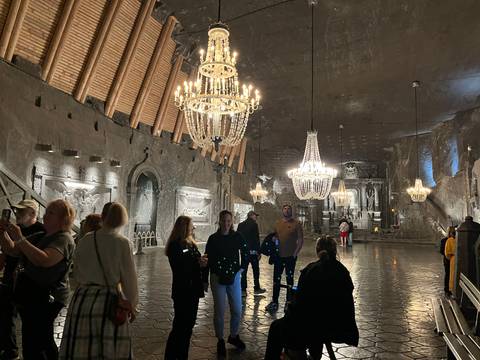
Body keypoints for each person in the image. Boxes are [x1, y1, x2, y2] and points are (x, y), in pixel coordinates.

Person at [59, 202, 137, 359]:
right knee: (106, 347)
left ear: (103, 216)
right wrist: (132, 305)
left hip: (82, 299)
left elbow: (77, 270)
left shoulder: (87, 239)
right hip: (108, 301)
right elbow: (129, 279)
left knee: (81, 347)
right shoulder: (123, 243)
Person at [0, 199, 75, 360]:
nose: (46, 215)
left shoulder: (63, 238)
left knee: (41, 339)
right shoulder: (41, 235)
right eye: (47, 212)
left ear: (63, 219)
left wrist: (20, 238)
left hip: (49, 297)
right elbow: (12, 250)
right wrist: (3, 233)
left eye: (51, 213)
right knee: (32, 339)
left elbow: (44, 260)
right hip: (33, 295)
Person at [264, 236, 359, 360]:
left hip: (315, 326)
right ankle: (314, 355)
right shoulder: (343, 271)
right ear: (335, 251)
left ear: (317, 251)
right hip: (340, 327)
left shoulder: (311, 270)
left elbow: (300, 305)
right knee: (317, 320)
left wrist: (290, 309)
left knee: (277, 327)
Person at [0, 200, 45, 360]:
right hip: (10, 276)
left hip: (27, 280)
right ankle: (10, 349)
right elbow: (8, 251)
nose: (17, 214)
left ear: (33, 213)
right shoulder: (16, 229)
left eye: (21, 211)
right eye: (16, 211)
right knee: (5, 315)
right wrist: (3, 233)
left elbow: (17, 251)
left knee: (28, 322)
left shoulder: (41, 230)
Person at [203, 210, 248, 356]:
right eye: (224, 220)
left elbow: (245, 251)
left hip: (234, 277)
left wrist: (242, 268)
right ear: (219, 221)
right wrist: (204, 280)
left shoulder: (237, 237)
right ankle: (220, 340)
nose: (226, 223)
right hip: (217, 278)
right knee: (219, 311)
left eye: (229, 221)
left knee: (237, 309)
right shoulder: (213, 239)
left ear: (232, 221)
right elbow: (207, 259)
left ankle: (233, 336)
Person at [164, 216, 208, 359]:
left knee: (188, 326)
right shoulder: (175, 246)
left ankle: (182, 356)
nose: (193, 227)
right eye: (191, 225)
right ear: (184, 227)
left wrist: (201, 261)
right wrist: (197, 262)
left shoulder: (191, 243)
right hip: (182, 291)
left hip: (193, 290)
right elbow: (180, 266)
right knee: (179, 327)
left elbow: (194, 258)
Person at [266, 204, 303, 313]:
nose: (286, 211)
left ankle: (289, 301)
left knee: (289, 280)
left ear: (291, 211)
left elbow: (300, 239)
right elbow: (276, 237)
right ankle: (274, 301)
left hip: (290, 257)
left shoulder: (296, 224)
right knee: (276, 279)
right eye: (285, 209)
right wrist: (274, 240)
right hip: (279, 257)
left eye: (289, 209)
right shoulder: (278, 223)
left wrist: (295, 253)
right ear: (282, 211)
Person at [237, 210, 266, 295]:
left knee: (244, 270)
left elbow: (238, 238)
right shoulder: (254, 225)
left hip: (244, 251)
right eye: (255, 216)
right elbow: (256, 239)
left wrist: (241, 249)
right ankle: (256, 288)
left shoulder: (240, 225)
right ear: (251, 215)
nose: (256, 217)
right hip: (253, 252)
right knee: (256, 270)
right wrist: (259, 252)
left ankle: (243, 290)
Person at [444, 226, 457, 294]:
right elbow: (447, 252)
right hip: (453, 260)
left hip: (453, 259)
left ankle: (451, 289)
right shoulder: (449, 240)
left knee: (452, 275)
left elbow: (447, 253)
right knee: (450, 275)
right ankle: (450, 289)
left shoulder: (449, 240)